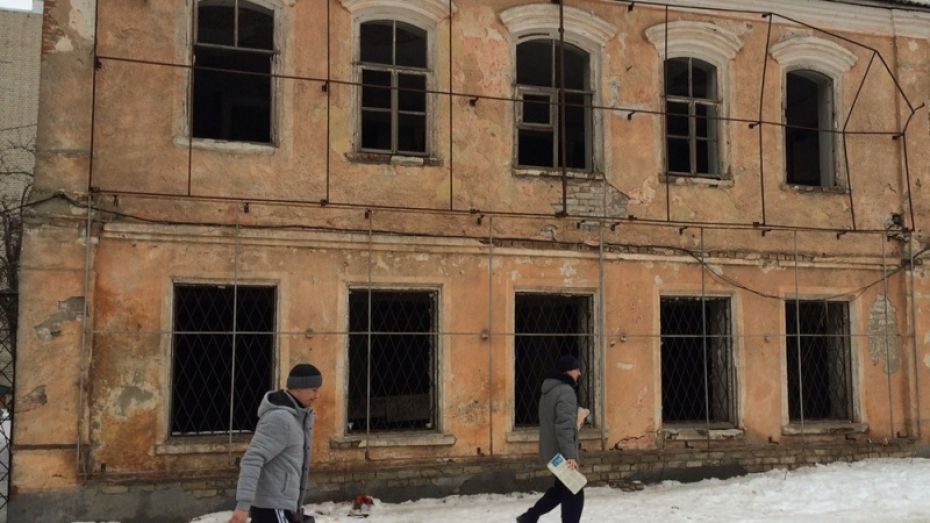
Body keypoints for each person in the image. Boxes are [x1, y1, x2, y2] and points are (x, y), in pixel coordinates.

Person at [229, 363, 322, 523]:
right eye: (314, 390)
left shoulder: (298, 417)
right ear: (298, 387)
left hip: (282, 506)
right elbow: (252, 459)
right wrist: (243, 506)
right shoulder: (280, 419)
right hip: (273, 507)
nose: (317, 395)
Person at [517, 354, 585, 523]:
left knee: (560, 490)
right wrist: (570, 455)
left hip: (551, 452)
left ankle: (529, 517)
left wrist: (576, 420)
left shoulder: (549, 390)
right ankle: (530, 517)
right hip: (562, 453)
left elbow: (554, 421)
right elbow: (563, 427)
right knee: (575, 489)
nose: (579, 373)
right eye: (577, 369)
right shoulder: (566, 391)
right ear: (568, 371)